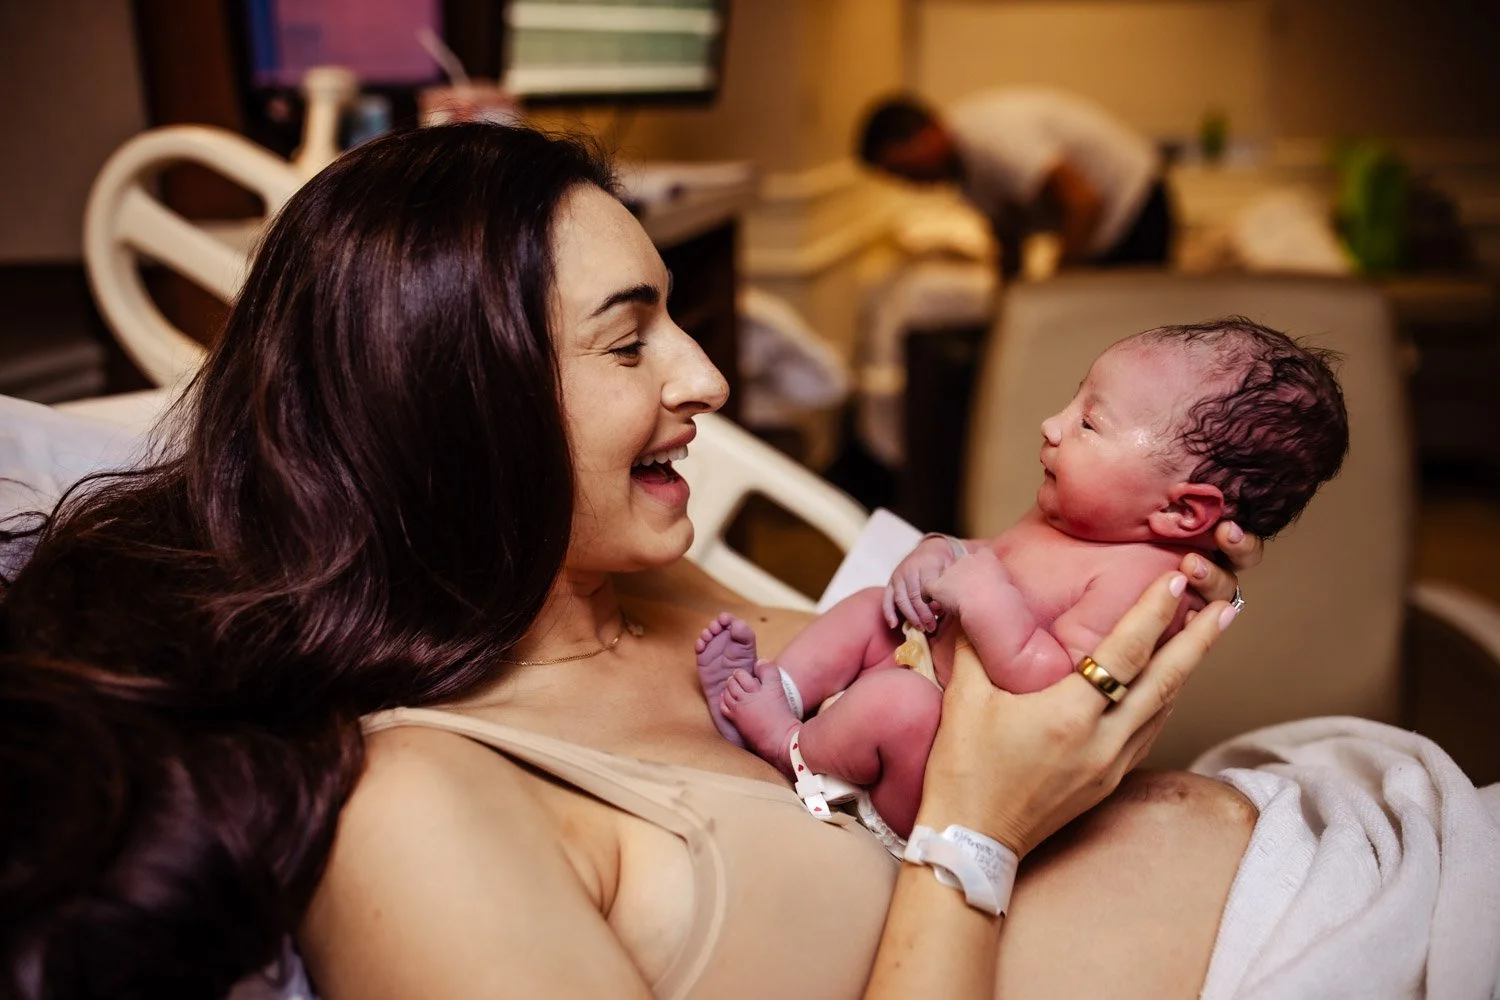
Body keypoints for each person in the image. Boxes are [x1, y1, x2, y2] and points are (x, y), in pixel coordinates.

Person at [1, 123, 1260, 1000]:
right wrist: (976, 838)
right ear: (462, 411)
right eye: (628, 342)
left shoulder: (633, 586)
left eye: (678, 316)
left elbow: (957, 682)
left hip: (1334, 841)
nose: (706, 378)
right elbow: (975, 789)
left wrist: (1124, 560)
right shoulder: (420, 812)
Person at [697, 320, 1348, 842]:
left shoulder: (1147, 583)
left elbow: (1048, 684)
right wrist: (937, 552)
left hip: (945, 767)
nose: (1053, 424)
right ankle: (777, 686)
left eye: (1090, 422)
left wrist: (985, 598)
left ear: (1181, 510)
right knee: (872, 609)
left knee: (899, 704)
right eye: (1074, 401)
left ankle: (789, 745)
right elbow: (986, 555)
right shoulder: (1068, 518)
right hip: (926, 663)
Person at [858, 89, 1173, 274]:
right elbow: (1008, 241)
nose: (909, 183)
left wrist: (1054, 286)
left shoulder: (989, 141)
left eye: (903, 169)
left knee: (1122, 340)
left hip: (1134, 206)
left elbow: (1084, 203)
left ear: (925, 136)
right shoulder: (964, 175)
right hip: (1106, 223)